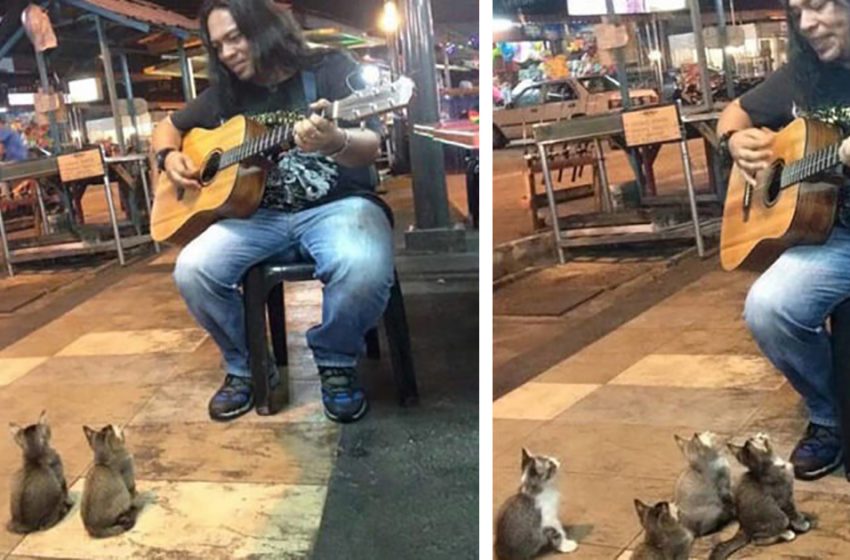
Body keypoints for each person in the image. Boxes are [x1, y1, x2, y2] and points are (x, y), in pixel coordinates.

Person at [150, 0, 393, 424]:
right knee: (192, 269)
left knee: (361, 261)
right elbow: (166, 127)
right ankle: (247, 366)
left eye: (235, 38)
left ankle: (336, 360)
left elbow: (371, 144)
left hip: (336, 206)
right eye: (217, 45)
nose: (226, 53)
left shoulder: (330, 69)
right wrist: (169, 157)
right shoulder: (226, 94)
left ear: (262, 28)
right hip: (256, 216)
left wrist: (335, 140)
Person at [717, 0, 850, 480]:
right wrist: (734, 142)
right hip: (832, 238)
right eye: (798, 12)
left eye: (817, 6)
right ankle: (828, 415)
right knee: (768, 307)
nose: (806, 23)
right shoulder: (802, 73)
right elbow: (735, 112)